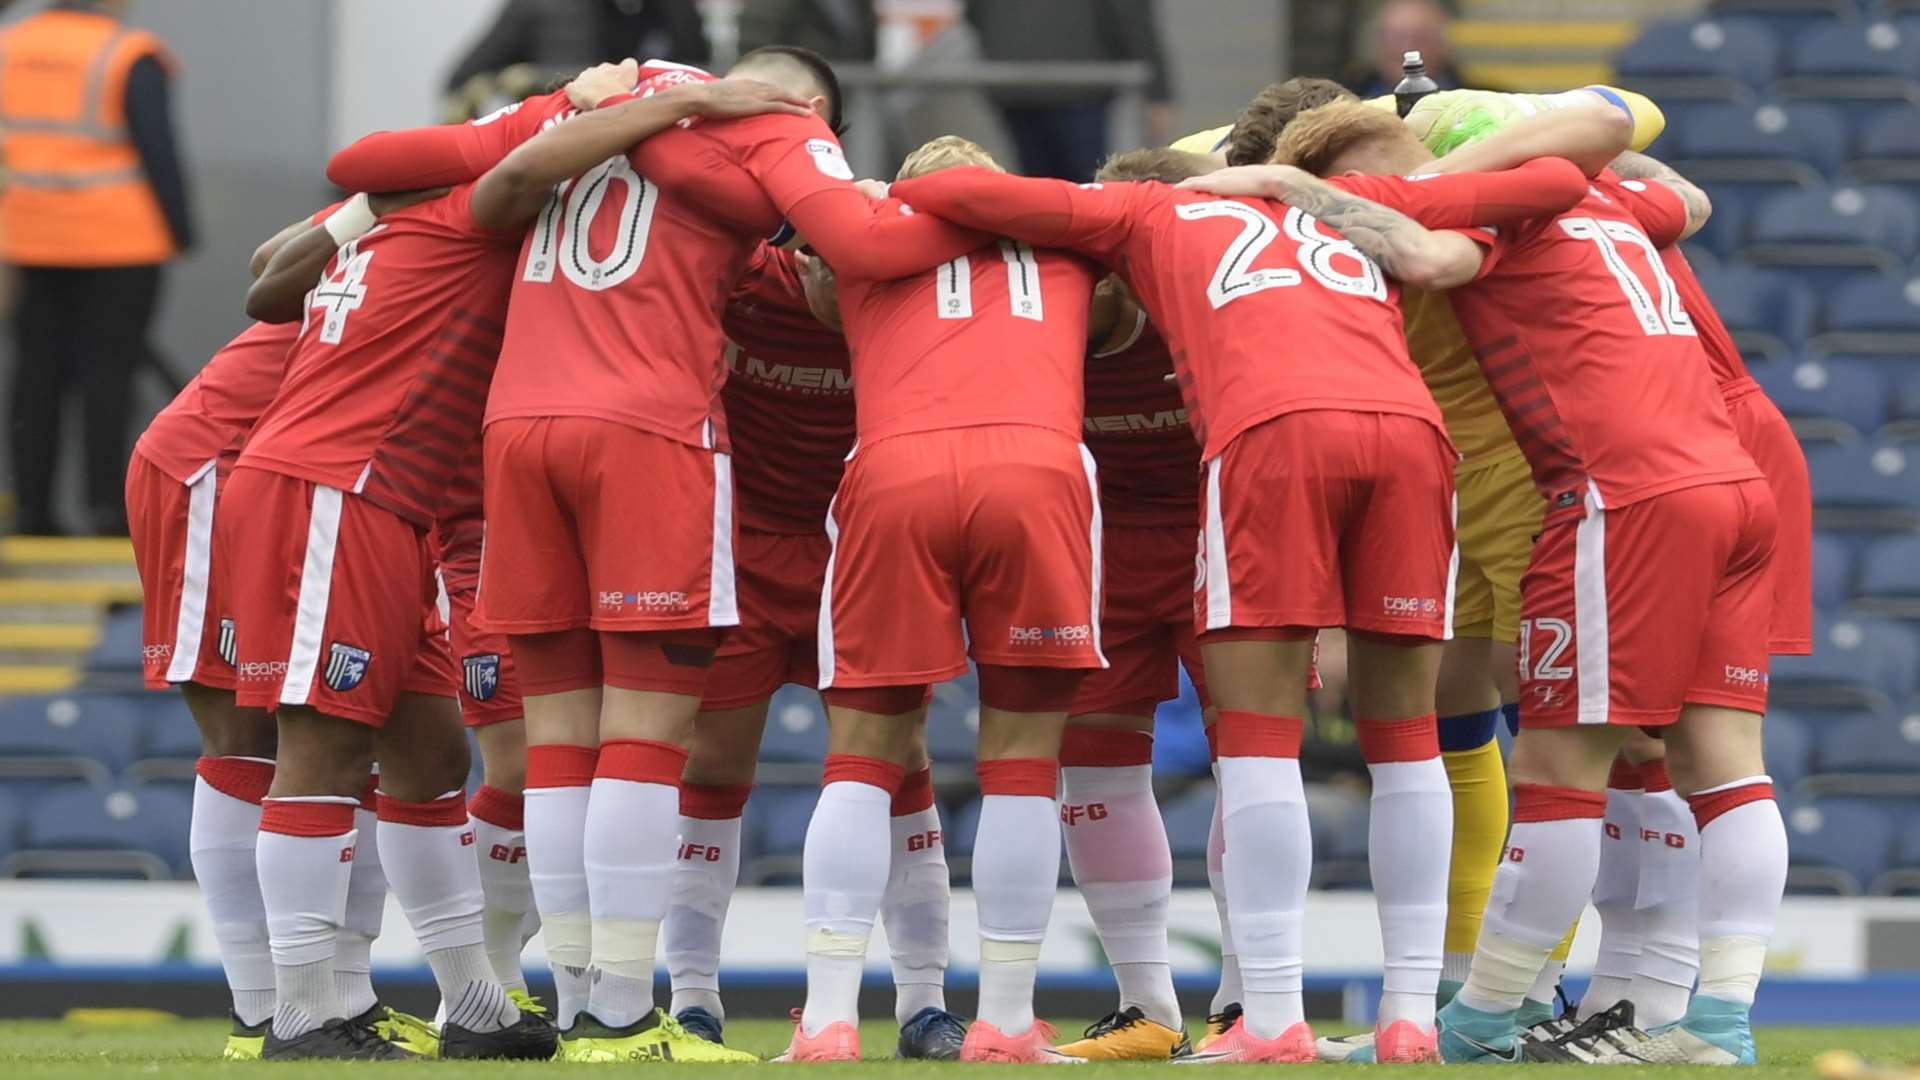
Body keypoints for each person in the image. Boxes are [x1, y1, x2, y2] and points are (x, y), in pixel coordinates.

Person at [330, 49, 986, 1062]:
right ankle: (622, 1011)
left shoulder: (580, 126)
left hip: (526, 423)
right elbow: (851, 234)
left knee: (559, 745)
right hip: (649, 431)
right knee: (646, 736)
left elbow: (386, 163)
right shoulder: (756, 145)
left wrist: (607, 103)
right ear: (808, 114)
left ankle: (563, 996)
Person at [888, 145, 1591, 1063]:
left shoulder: (1137, 218)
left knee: (1257, 742)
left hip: (1271, 440)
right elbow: (1558, 179)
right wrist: (1300, 186)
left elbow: (946, 187)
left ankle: (1267, 1015)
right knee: (1405, 738)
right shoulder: (1345, 199)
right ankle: (1411, 1014)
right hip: (1411, 438)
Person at [1213, 101, 1783, 1067]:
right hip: (1732, 483)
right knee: (1725, 769)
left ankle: (1478, 1019)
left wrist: (1287, 188)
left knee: (1560, 780)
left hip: (1621, 497)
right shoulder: (1606, 192)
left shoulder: (1488, 196)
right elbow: (1673, 182)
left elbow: (1431, 256)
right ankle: (1718, 1023)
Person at [789, 135, 1106, 1064]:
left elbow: (810, 278)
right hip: (1039, 467)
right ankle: (1005, 1022)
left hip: (898, 467)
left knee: (861, 753)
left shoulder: (859, 242)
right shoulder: (1068, 242)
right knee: (1022, 759)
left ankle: (828, 1018)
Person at [658, 243, 965, 1060]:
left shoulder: (912, 292)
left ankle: (924, 1006)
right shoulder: (740, 281)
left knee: (900, 763)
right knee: (713, 767)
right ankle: (692, 1001)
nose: (850, 285)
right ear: (800, 258)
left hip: (864, 548)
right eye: (835, 268)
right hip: (743, 554)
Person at [1046, 284, 1200, 1061]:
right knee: (1092, 767)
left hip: (1223, 530)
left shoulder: (1194, 313)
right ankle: (1148, 1007)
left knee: (1256, 759)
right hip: (1104, 545)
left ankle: (1250, 1006)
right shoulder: (1045, 326)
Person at [1, 0, 193, 536]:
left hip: (29, 240)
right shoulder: (127, 52)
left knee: (35, 375)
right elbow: (158, 147)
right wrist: (181, 229)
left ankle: (33, 511)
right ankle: (108, 508)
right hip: (119, 242)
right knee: (109, 373)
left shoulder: (9, 46)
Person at [964, 0, 1174, 179]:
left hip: (1014, 79)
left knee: (1036, 185)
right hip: (1082, 82)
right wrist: (1158, 92)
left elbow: (974, 13)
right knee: (1087, 183)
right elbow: (1131, 17)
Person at [443, 0, 708, 119]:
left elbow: (701, 73)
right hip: (560, 154)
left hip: (654, 148)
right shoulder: (539, 7)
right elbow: (463, 79)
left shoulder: (678, 9)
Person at [1350, 0, 1458, 98]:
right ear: (1378, 41)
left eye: (1419, 38)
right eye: (1395, 37)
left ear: (1442, 45)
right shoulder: (1350, 94)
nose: (1406, 48)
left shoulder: (1468, 99)